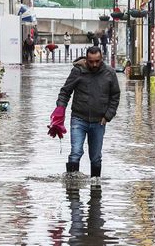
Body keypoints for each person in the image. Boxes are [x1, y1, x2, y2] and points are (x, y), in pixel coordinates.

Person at [49, 46, 121, 180]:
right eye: (91, 61)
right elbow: (65, 92)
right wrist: (60, 110)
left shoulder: (109, 73)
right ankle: (72, 190)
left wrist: (108, 116)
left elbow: (115, 96)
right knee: (75, 152)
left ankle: (96, 189)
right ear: (86, 59)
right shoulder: (78, 71)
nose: (94, 64)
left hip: (99, 121)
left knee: (96, 157)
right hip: (79, 119)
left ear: (101, 59)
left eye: (97, 61)